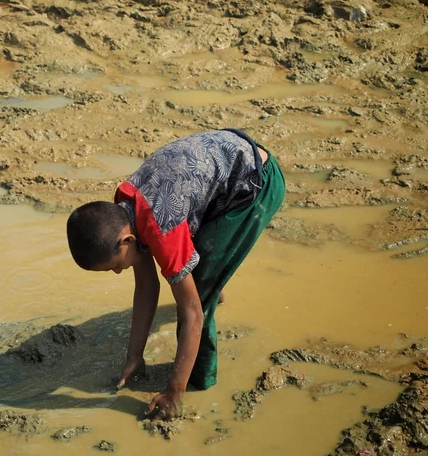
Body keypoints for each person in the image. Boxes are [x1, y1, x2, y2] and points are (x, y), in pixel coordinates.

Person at [66, 129, 286, 419]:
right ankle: (213, 281)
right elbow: (146, 286)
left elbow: (192, 313)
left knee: (197, 299)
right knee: (196, 273)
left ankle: (199, 381)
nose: (119, 271)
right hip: (223, 170)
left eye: (114, 265)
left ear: (127, 242)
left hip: (256, 185)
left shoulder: (160, 228)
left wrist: (174, 390)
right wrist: (134, 357)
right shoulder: (124, 208)